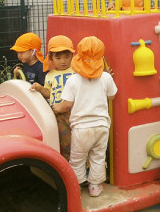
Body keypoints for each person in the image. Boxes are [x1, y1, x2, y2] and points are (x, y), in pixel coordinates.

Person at [52, 36, 117, 197]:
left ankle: (77, 185)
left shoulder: (73, 80)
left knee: (77, 158)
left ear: (78, 56)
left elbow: (66, 104)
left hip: (81, 129)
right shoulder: (106, 77)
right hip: (102, 126)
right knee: (98, 157)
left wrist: (55, 108)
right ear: (101, 57)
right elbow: (112, 96)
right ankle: (95, 187)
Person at [31, 35, 76, 160]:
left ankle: (85, 166)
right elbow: (49, 94)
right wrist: (40, 89)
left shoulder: (76, 70)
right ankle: (69, 165)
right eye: (58, 57)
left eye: (67, 57)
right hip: (59, 115)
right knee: (66, 142)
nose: (63, 61)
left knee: (81, 141)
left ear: (73, 56)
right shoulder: (50, 75)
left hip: (76, 111)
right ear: (50, 58)